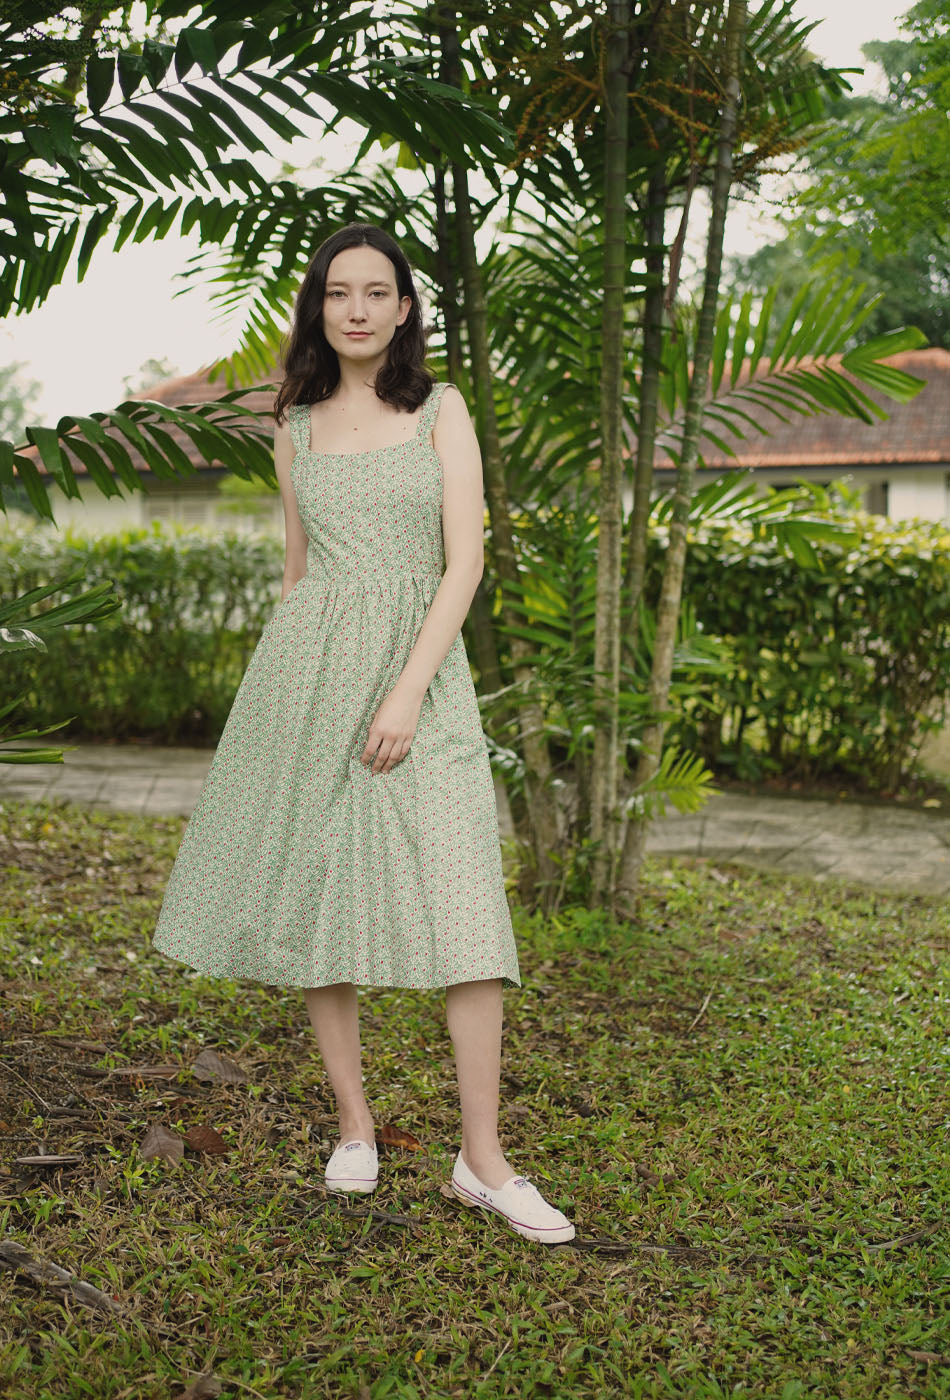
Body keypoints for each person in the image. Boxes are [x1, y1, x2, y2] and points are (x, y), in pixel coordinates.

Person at [151, 222, 574, 1245]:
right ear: (318, 305)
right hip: (307, 668)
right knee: (317, 884)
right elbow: (297, 571)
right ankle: (354, 1123)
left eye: (374, 291)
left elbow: (462, 561)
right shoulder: (290, 423)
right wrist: (287, 695)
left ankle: (482, 1159)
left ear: (402, 307)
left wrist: (402, 691)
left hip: (418, 677)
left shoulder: (440, 408)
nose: (354, 308)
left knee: (463, 903)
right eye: (337, 291)